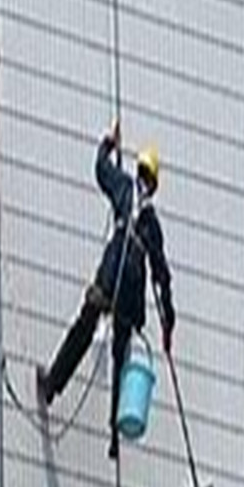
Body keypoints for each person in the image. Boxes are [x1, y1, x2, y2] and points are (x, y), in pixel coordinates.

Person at [37, 120, 176, 460]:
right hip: (130, 296)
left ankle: (52, 384)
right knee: (120, 358)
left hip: (111, 277)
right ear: (154, 184)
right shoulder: (152, 224)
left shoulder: (125, 190)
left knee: (84, 327)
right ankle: (113, 434)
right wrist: (168, 321)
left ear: (138, 170)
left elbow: (100, 170)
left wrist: (108, 144)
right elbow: (161, 275)